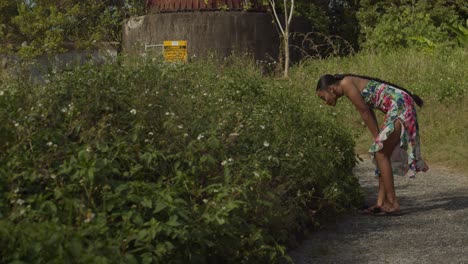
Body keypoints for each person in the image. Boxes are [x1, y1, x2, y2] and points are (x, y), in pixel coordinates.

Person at [316, 74, 429, 216]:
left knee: (380, 153)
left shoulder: (346, 83)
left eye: (323, 97)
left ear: (331, 89)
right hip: (401, 103)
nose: (325, 102)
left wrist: (377, 139)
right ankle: (381, 203)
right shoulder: (348, 84)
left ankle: (393, 203)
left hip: (400, 105)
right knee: (381, 153)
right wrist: (377, 138)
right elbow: (368, 109)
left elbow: (364, 112)